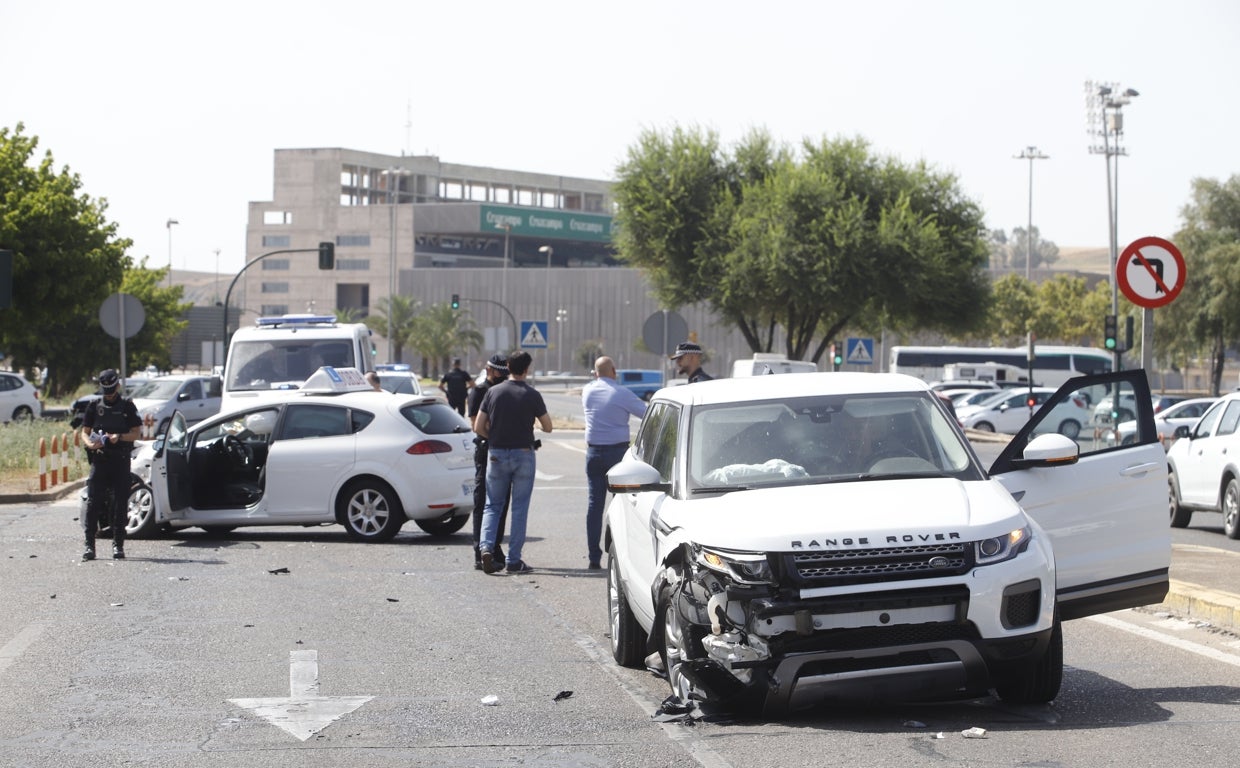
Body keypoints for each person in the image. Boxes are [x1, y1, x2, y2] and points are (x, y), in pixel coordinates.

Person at [474, 351, 552, 574]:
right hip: (523, 453)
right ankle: (514, 560)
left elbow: (478, 426)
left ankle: (486, 548)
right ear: (527, 369)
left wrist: (494, 437)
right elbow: (548, 427)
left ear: (508, 366)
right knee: (519, 508)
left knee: (492, 505)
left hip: (496, 453)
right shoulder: (532, 395)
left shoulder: (493, 392)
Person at [581, 356, 647, 569]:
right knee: (622, 505)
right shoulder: (621, 393)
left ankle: (593, 557)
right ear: (614, 370)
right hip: (617, 454)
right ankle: (621, 554)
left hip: (593, 453)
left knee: (594, 505)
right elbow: (647, 414)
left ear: (595, 373)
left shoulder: (587, 391)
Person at [80, 369, 143, 561]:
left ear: (118, 386)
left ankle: (118, 545)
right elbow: (85, 431)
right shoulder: (94, 405)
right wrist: (90, 444)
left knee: (120, 503)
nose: (108, 394)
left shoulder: (127, 406)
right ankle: (89, 546)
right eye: (105, 390)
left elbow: (136, 433)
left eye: (111, 389)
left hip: (120, 460)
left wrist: (119, 437)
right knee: (93, 503)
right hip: (100, 460)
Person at [468, 354, 511, 570]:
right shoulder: (479, 391)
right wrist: (496, 438)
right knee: (483, 502)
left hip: (503, 450)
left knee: (501, 503)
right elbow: (475, 423)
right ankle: (480, 551)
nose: (502, 375)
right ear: (489, 370)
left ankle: (494, 546)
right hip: (486, 450)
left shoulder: (506, 390)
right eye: (498, 371)